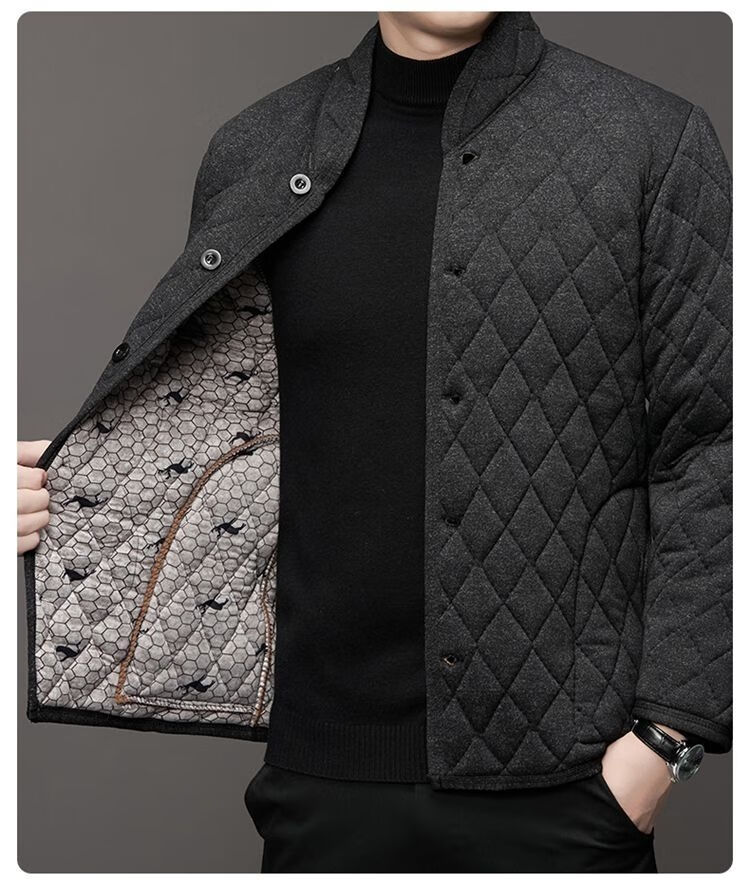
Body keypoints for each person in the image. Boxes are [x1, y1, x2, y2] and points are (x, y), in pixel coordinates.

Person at [18, 10, 731, 873]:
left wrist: (666, 739)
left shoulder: (649, 139)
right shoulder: (258, 146)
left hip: (571, 784)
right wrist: (81, 486)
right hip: (321, 778)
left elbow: (713, 447)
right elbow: (238, 422)